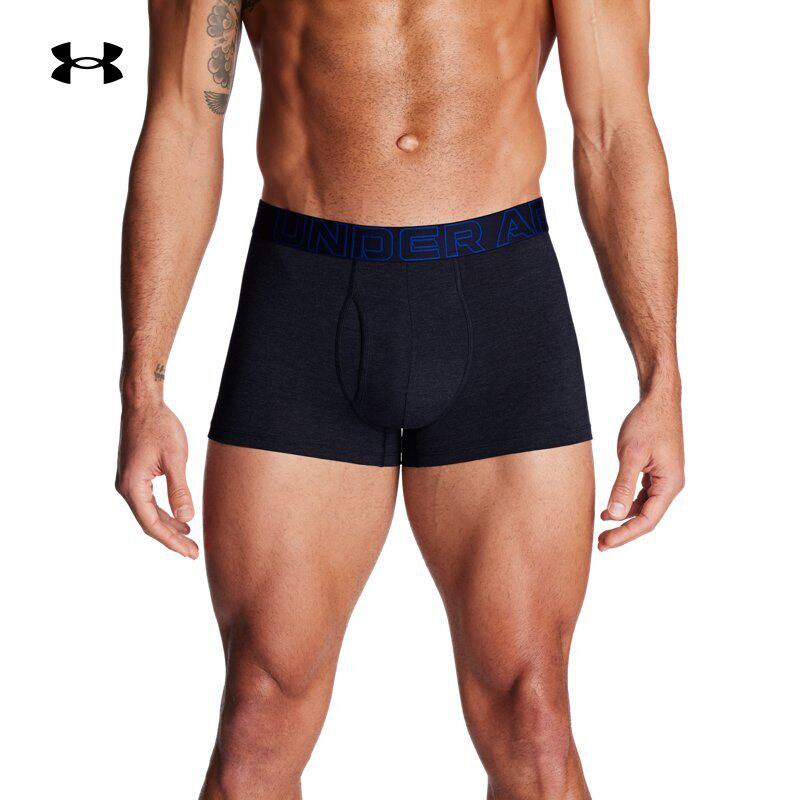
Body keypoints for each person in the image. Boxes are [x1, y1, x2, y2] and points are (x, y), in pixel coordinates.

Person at [116, 1, 685, 797]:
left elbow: (614, 127)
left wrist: (660, 380)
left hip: (500, 299)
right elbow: (181, 124)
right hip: (304, 301)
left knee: (533, 720)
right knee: (256, 721)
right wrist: (143, 387)